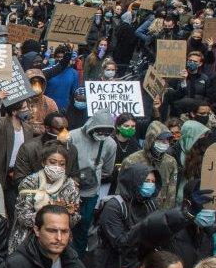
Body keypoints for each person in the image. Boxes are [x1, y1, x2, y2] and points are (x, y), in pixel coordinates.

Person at [90, 164, 161, 268]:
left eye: (153, 182)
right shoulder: (114, 206)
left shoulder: (150, 205)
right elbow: (120, 243)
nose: (150, 185)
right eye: (146, 181)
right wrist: (145, 226)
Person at [11, 144, 81, 252]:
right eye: (52, 162)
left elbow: (74, 219)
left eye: (62, 164)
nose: (57, 167)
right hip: (28, 240)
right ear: (44, 162)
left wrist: (70, 214)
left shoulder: (70, 186)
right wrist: (53, 212)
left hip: (59, 241)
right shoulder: (30, 183)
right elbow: (23, 216)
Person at [66, 109, 115, 254]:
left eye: (107, 132)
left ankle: (78, 257)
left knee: (84, 224)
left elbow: (108, 169)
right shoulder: (72, 136)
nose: (102, 135)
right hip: (69, 189)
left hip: (90, 192)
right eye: (100, 131)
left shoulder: (110, 144)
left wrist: (95, 175)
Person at [120, 121, 179, 210]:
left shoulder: (170, 162)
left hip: (159, 210)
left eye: (167, 140)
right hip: (134, 209)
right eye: (161, 140)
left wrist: (166, 215)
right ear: (151, 139)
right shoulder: (132, 160)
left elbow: (171, 191)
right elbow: (122, 189)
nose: (165, 142)